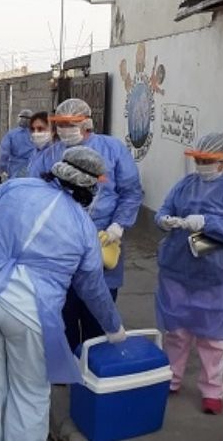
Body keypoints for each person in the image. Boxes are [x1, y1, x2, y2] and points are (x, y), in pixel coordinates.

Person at [0, 146, 127, 441]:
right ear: (91, 188)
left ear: (58, 169)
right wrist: (113, 326)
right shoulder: (85, 227)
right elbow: (92, 286)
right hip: (32, 311)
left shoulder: (16, 187)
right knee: (29, 393)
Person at [154, 131, 223, 415]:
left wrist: (208, 223)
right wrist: (164, 219)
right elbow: (165, 207)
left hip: (219, 272)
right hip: (178, 268)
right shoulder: (186, 184)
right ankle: (171, 378)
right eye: (199, 159)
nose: (201, 165)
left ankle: (212, 390)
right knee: (176, 331)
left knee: (213, 336)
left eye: (207, 160)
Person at [29, 98, 143, 349]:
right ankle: (67, 363)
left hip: (103, 239)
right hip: (61, 245)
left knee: (97, 317)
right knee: (63, 317)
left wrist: (118, 225)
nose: (64, 130)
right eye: (60, 124)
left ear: (87, 123)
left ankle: (93, 365)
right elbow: (33, 195)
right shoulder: (49, 155)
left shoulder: (112, 149)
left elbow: (131, 192)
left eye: (71, 124)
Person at [0, 109, 34, 180]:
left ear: (19, 119)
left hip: (16, 169)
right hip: (33, 169)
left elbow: (4, 154)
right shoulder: (36, 135)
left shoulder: (11, 135)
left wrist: (2, 169)